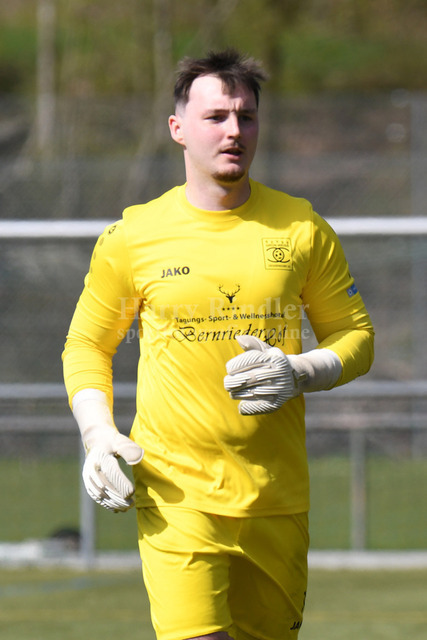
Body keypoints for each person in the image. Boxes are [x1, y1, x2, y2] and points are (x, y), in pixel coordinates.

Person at [63, 48, 374, 640]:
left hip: (276, 498)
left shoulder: (301, 228)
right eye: (216, 117)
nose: (234, 130)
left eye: (246, 116)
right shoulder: (134, 236)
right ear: (177, 128)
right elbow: (87, 345)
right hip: (174, 491)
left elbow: (356, 335)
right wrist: (97, 432)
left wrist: (302, 370)